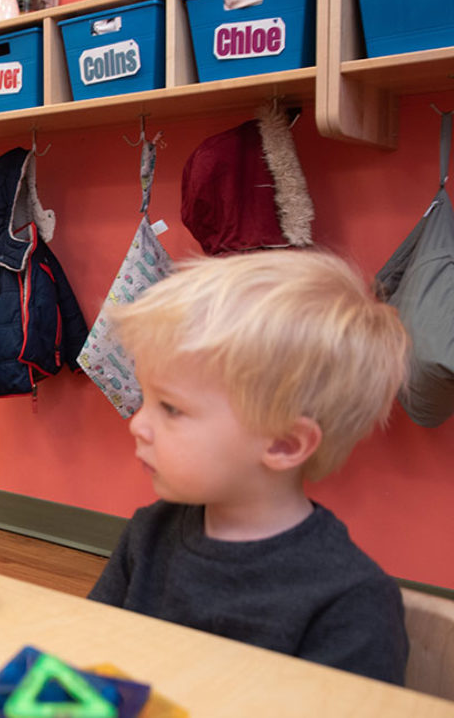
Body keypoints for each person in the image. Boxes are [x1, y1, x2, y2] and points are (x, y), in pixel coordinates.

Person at [87, 250, 410, 684]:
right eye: (144, 399)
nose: (138, 424)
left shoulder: (349, 601)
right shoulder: (149, 534)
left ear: (283, 443)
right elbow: (89, 656)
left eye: (170, 408)